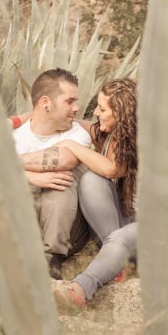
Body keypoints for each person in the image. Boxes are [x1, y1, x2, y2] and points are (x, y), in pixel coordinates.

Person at [48, 78, 139, 312]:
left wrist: (71, 144)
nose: (96, 112)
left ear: (122, 113)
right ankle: (117, 265)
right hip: (123, 225)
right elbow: (69, 120)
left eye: (103, 108)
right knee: (91, 180)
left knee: (121, 238)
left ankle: (79, 290)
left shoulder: (143, 142)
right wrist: (18, 119)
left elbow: (112, 168)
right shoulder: (107, 133)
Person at [10, 68, 92, 277]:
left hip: (67, 233)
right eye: (69, 101)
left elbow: (65, 159)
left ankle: (51, 262)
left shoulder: (77, 133)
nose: (77, 107)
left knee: (62, 178)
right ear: (46, 103)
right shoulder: (14, 137)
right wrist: (31, 176)